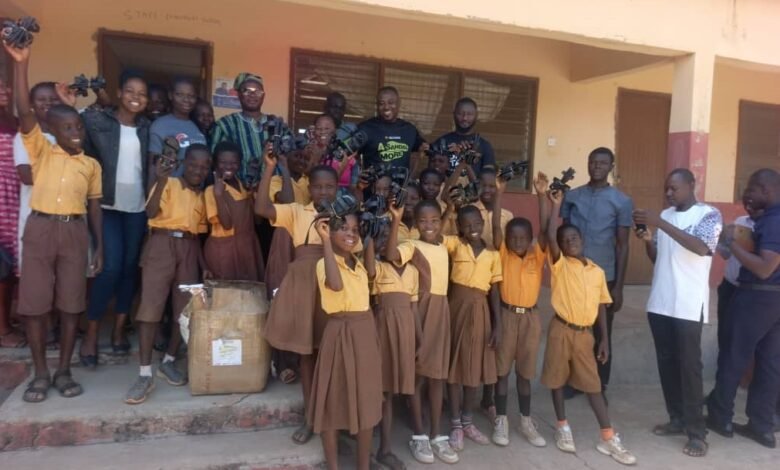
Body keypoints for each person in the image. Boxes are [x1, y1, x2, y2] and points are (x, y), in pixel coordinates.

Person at [5, 42, 104, 403]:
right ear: (52, 130)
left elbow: (95, 209)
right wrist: (21, 64)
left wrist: (100, 247)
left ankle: (64, 370)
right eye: (67, 127)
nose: (76, 131)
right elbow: (23, 111)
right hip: (41, 228)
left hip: (75, 231)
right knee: (34, 305)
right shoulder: (40, 149)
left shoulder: (90, 165)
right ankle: (41, 373)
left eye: (78, 125)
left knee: (71, 304)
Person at [633, 168, 721, 457]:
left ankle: (698, 434)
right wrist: (648, 238)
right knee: (667, 366)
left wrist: (659, 222)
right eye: (666, 189)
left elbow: (700, 247)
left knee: (690, 370)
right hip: (661, 303)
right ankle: (677, 419)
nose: (669, 194)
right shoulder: (666, 216)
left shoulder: (709, 216)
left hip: (687, 306)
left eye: (674, 188)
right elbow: (659, 257)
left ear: (691, 185)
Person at [544, 189, 636, 465]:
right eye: (565, 240)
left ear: (582, 240)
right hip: (561, 330)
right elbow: (550, 235)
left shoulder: (597, 271)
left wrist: (604, 340)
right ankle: (562, 426)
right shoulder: (560, 265)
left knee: (593, 385)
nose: (569, 241)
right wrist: (555, 205)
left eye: (574, 238)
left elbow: (601, 307)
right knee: (557, 380)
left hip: (585, 335)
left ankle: (608, 437)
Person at [256, 149, 340, 445]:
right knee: (306, 355)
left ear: (337, 188)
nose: (323, 191)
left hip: (332, 286)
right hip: (304, 286)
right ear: (310, 188)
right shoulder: (297, 211)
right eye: (318, 186)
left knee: (330, 356)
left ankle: (332, 419)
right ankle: (310, 418)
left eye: (330, 186)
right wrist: (270, 169)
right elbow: (262, 207)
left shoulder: (344, 217)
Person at [124, 144, 211, 405]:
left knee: (182, 311)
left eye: (205, 166)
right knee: (150, 308)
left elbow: (198, 234)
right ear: (184, 162)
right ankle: (144, 373)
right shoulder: (169, 184)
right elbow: (150, 212)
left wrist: (202, 263)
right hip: (160, 244)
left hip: (188, 248)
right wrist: (161, 179)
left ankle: (169, 361)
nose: (199, 170)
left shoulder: (203, 196)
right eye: (194, 164)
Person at [76, 70, 151, 365]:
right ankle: (92, 333)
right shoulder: (98, 121)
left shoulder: (147, 127)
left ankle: (119, 330)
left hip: (137, 208)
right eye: (131, 91)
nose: (136, 97)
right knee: (109, 268)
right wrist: (99, 97)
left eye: (142, 94)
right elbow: (76, 126)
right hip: (106, 206)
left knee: (129, 269)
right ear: (119, 92)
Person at [707, 168, 780, 449]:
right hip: (774, 300)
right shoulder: (768, 219)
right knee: (770, 363)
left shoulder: (774, 222)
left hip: (757, 296)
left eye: (752, 189)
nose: (748, 195)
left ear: (767, 189)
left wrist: (732, 244)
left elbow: (764, 268)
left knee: (733, 355)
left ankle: (720, 417)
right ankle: (761, 426)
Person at [386, 199, 459, 465]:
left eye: (434, 220)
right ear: (415, 225)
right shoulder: (412, 245)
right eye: (423, 221)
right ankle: (419, 434)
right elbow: (391, 255)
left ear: (441, 221)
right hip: (422, 310)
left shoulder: (444, 244)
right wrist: (396, 220)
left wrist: (451, 209)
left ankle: (437, 434)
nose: (429, 225)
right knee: (417, 373)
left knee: (438, 375)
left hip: (442, 311)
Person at [307, 214, 382, 470]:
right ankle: (334, 466)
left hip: (364, 333)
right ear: (329, 231)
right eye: (343, 229)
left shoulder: (358, 264)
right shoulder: (324, 263)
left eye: (355, 229)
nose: (350, 233)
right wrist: (325, 240)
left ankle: (363, 465)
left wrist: (370, 234)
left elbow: (372, 272)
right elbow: (336, 285)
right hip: (339, 332)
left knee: (366, 402)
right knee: (332, 400)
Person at [561, 147, 632, 398]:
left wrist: (619, 287)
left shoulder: (621, 201)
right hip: (573, 273)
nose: (597, 166)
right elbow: (563, 233)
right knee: (574, 329)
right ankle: (575, 381)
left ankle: (599, 385)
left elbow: (623, 245)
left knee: (603, 331)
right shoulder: (573, 196)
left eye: (603, 163)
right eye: (593, 162)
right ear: (588, 164)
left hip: (604, 275)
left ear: (611, 166)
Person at [490, 172, 550, 447]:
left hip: (530, 319)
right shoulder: (503, 253)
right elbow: (495, 229)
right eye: (513, 237)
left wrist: (541, 195)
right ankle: (501, 419)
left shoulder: (537, 257)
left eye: (523, 237)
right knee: (502, 372)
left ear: (530, 239)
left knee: (525, 374)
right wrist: (500, 193)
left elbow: (547, 230)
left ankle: (525, 420)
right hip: (505, 315)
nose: (517, 241)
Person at [442, 204, 502, 451]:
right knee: (454, 367)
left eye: (477, 223)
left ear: (483, 223)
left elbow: (495, 292)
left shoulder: (493, 254)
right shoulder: (456, 245)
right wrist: (447, 211)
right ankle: (456, 424)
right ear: (459, 228)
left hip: (480, 311)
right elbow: (434, 236)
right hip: (456, 308)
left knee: (473, 369)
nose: (473, 228)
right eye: (466, 225)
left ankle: (468, 421)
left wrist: (497, 324)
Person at [365, 223, 418, 470]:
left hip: (404, 333)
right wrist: (370, 242)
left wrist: (418, 337)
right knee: (376, 390)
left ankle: (384, 448)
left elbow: (414, 308)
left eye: (390, 237)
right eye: (381, 238)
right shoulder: (378, 267)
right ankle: (365, 448)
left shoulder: (413, 271)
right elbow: (369, 270)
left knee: (389, 392)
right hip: (380, 331)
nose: (387, 242)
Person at [264, 149, 312, 385]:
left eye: (305, 157)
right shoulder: (277, 179)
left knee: (303, 304)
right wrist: (282, 167)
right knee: (281, 298)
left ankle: (300, 359)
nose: (301, 159)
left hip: (304, 242)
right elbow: (287, 201)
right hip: (284, 240)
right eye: (298, 155)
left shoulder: (309, 180)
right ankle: (281, 361)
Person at [203, 142, 264, 281]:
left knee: (249, 293)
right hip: (224, 250)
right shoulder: (211, 190)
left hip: (247, 246)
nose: (229, 167)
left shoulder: (243, 186)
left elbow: (257, 220)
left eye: (234, 163)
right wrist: (219, 196)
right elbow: (226, 224)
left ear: (240, 164)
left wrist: (253, 195)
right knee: (226, 294)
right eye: (223, 162)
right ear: (215, 163)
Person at [210, 73, 269, 181]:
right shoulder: (225, 125)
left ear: (263, 95)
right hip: (237, 192)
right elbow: (214, 162)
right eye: (247, 91)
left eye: (258, 92)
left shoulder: (275, 124)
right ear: (238, 95)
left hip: (274, 192)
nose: (252, 95)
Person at [148, 78, 206, 180]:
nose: (186, 100)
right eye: (180, 95)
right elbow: (153, 168)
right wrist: (152, 193)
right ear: (171, 96)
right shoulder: (160, 125)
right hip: (169, 191)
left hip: (194, 193)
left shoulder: (197, 126)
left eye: (191, 96)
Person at [358, 87, 428, 172]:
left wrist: (424, 149)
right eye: (381, 103)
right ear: (377, 105)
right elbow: (351, 157)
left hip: (401, 184)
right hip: (374, 183)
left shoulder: (409, 130)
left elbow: (423, 148)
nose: (386, 107)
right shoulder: (366, 128)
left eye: (391, 103)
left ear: (399, 104)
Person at [0, 78, 21, 348]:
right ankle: (3, 330)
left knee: (10, 260)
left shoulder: (13, 120)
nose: (4, 91)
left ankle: (7, 320)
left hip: (15, 195)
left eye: (6, 86)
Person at [433, 97, 496, 174]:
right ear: (454, 114)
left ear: (476, 116)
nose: (465, 118)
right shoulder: (441, 142)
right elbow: (433, 176)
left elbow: (488, 178)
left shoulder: (484, 146)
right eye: (460, 113)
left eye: (469, 114)